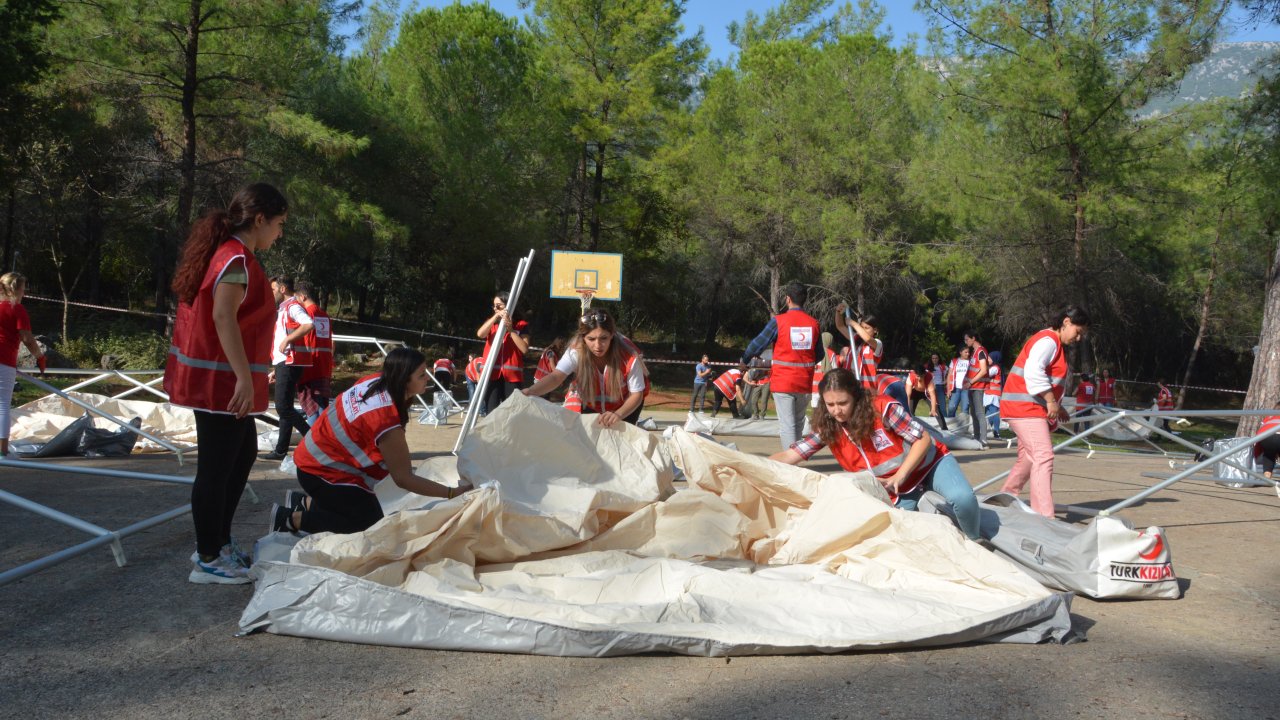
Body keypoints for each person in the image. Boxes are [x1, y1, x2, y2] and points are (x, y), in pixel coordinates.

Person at [165, 182, 286, 584]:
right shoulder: (235, 258)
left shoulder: (234, 255)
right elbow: (223, 317)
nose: (280, 233)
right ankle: (208, 556)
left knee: (242, 453)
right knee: (216, 468)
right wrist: (243, 378)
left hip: (223, 381)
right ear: (260, 219)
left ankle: (218, 541)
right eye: (279, 224)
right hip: (221, 383)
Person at [274, 347, 469, 535]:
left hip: (313, 461)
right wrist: (451, 493)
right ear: (403, 380)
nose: (428, 377)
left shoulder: (375, 381)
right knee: (368, 526)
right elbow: (403, 478)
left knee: (359, 509)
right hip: (320, 472)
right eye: (421, 375)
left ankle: (305, 503)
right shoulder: (386, 421)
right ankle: (291, 519)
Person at [770, 369, 980, 540]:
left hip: (929, 464)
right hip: (894, 491)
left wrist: (901, 475)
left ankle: (975, 542)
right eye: (830, 404)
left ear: (856, 397)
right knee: (900, 537)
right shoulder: (828, 426)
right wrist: (752, 464)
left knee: (963, 499)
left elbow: (922, 439)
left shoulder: (882, 408)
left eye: (842, 403)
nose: (836, 411)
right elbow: (791, 455)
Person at [999, 306, 1091, 517]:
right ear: (1066, 322)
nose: (1078, 338)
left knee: (1029, 458)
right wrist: (1051, 401)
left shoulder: (1051, 342)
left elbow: (1046, 379)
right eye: (1078, 332)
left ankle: (1004, 499)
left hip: (1023, 407)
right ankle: (1043, 516)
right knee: (1043, 456)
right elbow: (1034, 373)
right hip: (1024, 408)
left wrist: (1057, 406)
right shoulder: (1049, 341)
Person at [523, 309, 648, 427]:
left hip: (625, 408)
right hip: (591, 405)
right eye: (591, 339)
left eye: (603, 338)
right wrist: (530, 391)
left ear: (612, 335)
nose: (598, 345)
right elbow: (556, 377)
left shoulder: (629, 357)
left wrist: (618, 414)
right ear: (583, 338)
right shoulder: (575, 352)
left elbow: (637, 394)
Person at [741, 282, 821, 448]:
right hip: (804, 382)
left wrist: (744, 360)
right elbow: (819, 354)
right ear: (804, 300)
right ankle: (796, 459)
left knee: (787, 426)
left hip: (783, 381)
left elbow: (757, 344)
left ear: (788, 299)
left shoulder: (779, 321)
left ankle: (791, 462)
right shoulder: (814, 323)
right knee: (798, 424)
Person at [265, 276, 313, 461]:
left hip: (290, 363)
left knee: (283, 407)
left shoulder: (292, 306)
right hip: (285, 363)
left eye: (273, 289)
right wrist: (276, 370)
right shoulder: (284, 308)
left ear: (282, 289)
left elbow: (308, 324)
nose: (271, 293)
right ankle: (281, 450)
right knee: (285, 408)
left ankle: (315, 440)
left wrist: (287, 340)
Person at [0, 272, 47, 457]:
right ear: (15, 289)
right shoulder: (17, 309)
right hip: (4, 359)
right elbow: (27, 338)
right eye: (23, 289)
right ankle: (2, 451)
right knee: (2, 404)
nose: (24, 293)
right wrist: (40, 356)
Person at [476, 291, 529, 415]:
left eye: (498, 305)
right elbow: (480, 334)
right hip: (492, 374)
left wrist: (511, 330)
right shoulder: (491, 323)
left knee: (512, 413)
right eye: (494, 306)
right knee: (491, 412)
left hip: (512, 377)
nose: (495, 308)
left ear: (508, 305)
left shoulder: (521, 325)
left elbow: (524, 349)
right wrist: (495, 317)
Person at [294, 281, 332, 425]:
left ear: (302, 297)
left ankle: (312, 438)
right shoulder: (325, 316)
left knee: (311, 410)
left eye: (296, 299)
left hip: (309, 370)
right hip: (324, 368)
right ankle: (323, 436)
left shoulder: (305, 316)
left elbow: (302, 343)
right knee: (322, 409)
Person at [833, 304, 882, 389]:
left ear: (875, 330)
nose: (863, 330)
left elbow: (868, 339)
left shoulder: (877, 344)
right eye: (861, 327)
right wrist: (838, 312)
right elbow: (840, 326)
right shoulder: (854, 339)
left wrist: (853, 324)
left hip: (866, 388)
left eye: (866, 328)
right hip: (850, 385)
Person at [963, 331, 992, 448]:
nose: (966, 342)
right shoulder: (975, 352)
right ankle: (976, 437)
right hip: (972, 387)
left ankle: (984, 440)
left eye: (967, 339)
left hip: (978, 387)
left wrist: (970, 381)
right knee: (974, 413)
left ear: (973, 338)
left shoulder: (980, 351)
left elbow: (984, 370)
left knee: (979, 413)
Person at [904, 363, 944, 427]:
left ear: (924, 374)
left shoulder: (929, 377)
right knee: (909, 411)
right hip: (914, 393)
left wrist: (933, 409)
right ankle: (909, 427)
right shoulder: (911, 377)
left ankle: (944, 428)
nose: (919, 378)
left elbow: (933, 395)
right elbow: (907, 396)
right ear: (915, 374)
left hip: (926, 392)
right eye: (918, 376)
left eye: (921, 376)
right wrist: (906, 408)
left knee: (936, 410)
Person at [1252, 412, 1280, 482]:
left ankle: (1267, 476)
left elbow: (1261, 431)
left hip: (1267, 437)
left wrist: (1256, 454)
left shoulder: (1269, 417)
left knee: (1268, 455)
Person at [946, 346, 971, 418]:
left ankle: (964, 424)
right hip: (955, 389)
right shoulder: (954, 361)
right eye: (966, 352)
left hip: (966, 389)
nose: (968, 354)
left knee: (965, 409)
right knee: (951, 408)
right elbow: (949, 375)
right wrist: (948, 389)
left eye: (968, 352)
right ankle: (951, 423)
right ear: (960, 352)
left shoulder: (971, 362)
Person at [984, 351, 1004, 440]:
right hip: (989, 394)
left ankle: (996, 432)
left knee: (993, 413)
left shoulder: (995, 368)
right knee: (989, 414)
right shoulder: (993, 367)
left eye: (989, 358)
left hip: (993, 395)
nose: (987, 359)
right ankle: (987, 431)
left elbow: (985, 374)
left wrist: (982, 366)